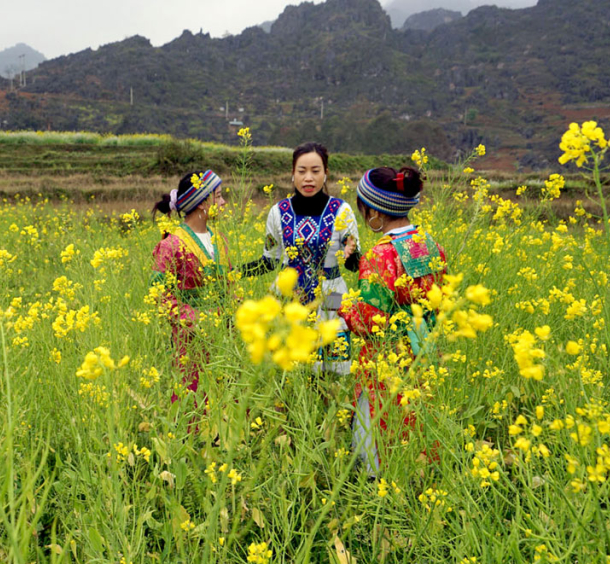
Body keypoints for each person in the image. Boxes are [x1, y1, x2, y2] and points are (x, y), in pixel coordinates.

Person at [339, 166, 447, 476]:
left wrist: (338, 307)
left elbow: (369, 321)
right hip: (423, 351)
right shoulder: (430, 245)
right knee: (417, 427)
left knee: (378, 432)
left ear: (374, 211)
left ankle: (378, 495)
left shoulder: (380, 254)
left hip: (386, 359)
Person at [242, 142, 361, 376]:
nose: (309, 178)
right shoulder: (278, 212)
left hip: (332, 294)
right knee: (291, 373)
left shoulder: (342, 210)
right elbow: (269, 260)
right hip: (290, 296)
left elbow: (353, 264)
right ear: (292, 174)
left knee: (333, 372)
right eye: (302, 171)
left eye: (316, 171)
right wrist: (233, 272)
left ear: (326, 174)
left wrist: (351, 253)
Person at [150, 170, 230, 405]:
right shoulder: (171, 244)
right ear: (202, 202)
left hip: (223, 337)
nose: (223, 202)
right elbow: (159, 293)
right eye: (218, 196)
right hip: (190, 338)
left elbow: (229, 284)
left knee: (225, 398)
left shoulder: (221, 239)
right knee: (193, 399)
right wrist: (195, 320)